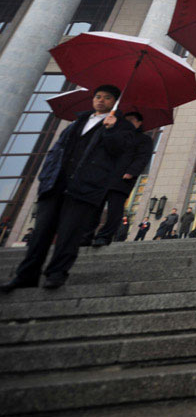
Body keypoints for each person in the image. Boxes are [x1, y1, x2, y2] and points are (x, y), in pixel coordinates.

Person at [1, 85, 133, 292]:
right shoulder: (78, 121)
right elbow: (57, 149)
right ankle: (26, 275)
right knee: (41, 232)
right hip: (56, 184)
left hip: (84, 187)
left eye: (107, 98)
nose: (101, 101)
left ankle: (57, 273)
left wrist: (110, 130)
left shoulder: (122, 127)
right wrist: (46, 177)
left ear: (115, 102)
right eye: (98, 96)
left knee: (70, 233)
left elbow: (118, 153)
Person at [86, 111, 154, 247]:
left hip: (123, 178)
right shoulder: (115, 135)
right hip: (104, 176)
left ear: (139, 123)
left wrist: (131, 172)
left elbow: (142, 158)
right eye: (126, 119)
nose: (128, 122)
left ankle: (104, 236)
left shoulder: (143, 139)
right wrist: (109, 129)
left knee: (115, 209)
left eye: (132, 120)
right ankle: (86, 235)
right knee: (94, 208)